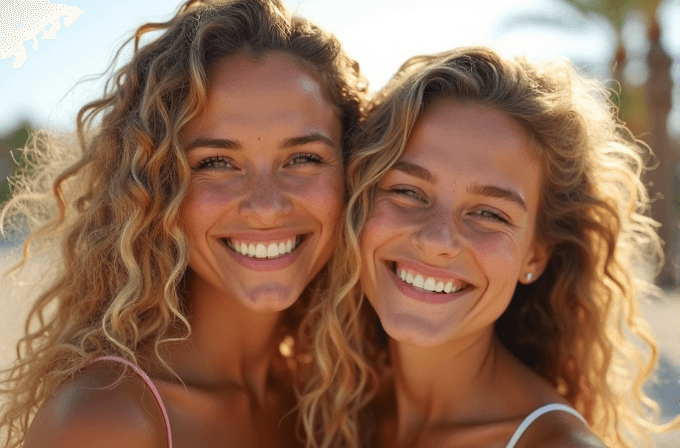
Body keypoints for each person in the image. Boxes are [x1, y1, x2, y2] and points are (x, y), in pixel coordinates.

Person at [0, 0, 367, 447]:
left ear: (354, 171)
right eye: (217, 162)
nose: (266, 206)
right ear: (157, 187)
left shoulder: (333, 395)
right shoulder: (108, 423)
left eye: (304, 158)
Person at [300, 47, 680, 447]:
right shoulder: (332, 409)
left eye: (489, 214)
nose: (437, 240)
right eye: (408, 191)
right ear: (359, 202)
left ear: (535, 254)